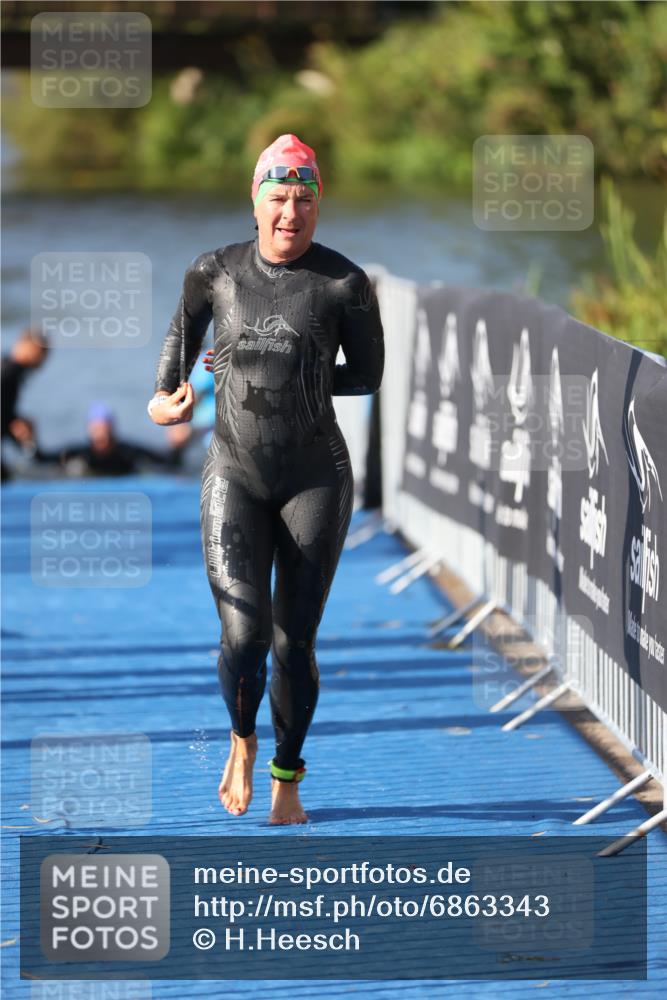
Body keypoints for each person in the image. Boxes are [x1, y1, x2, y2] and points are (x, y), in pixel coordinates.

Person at [148, 133, 384, 824]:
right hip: (234, 474)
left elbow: (366, 376)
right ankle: (242, 739)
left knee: (294, 640)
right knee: (245, 635)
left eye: (304, 200)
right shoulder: (212, 272)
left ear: (319, 206)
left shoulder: (343, 283)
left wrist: (299, 371)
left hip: (316, 476)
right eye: (277, 198)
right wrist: (167, 400)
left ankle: (288, 773)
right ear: (254, 202)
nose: (290, 213)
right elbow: (170, 370)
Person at [38, 402, 184, 477]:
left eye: (105, 429)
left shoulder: (128, 453)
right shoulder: (80, 454)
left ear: (112, 430)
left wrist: (177, 446)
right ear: (90, 430)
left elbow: (168, 464)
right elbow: (42, 461)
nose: (101, 435)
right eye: (97, 429)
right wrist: (29, 442)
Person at [1, 327, 49, 481]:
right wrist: (14, 423)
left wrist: (13, 422)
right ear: (24, 345)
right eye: (41, 350)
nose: (43, 357)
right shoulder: (10, 371)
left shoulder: (11, 369)